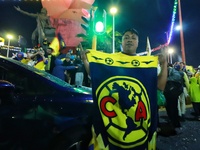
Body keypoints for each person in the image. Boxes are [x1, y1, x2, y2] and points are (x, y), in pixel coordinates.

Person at [80, 28, 167, 150]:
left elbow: (160, 86)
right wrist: (85, 60)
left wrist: (164, 64)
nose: (129, 40)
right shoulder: (110, 60)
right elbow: (97, 78)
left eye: (133, 38)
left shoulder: (146, 64)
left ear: (138, 42)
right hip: (113, 121)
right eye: (126, 37)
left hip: (136, 122)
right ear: (121, 42)